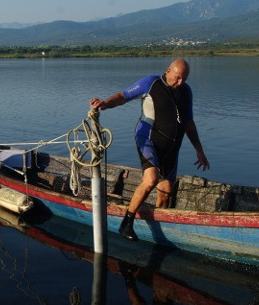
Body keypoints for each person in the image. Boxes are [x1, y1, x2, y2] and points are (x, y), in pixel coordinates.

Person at [90, 59, 209, 241]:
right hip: (148, 139)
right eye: (177, 78)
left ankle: (160, 231)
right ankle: (127, 223)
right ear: (168, 71)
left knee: (166, 190)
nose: (180, 83)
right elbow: (123, 96)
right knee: (151, 179)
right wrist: (106, 103)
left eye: (184, 79)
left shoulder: (186, 92)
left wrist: (199, 151)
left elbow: (189, 124)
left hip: (172, 148)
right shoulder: (151, 83)